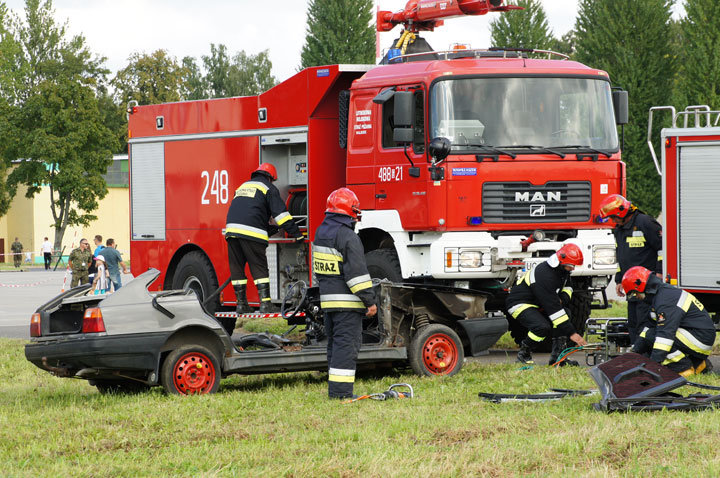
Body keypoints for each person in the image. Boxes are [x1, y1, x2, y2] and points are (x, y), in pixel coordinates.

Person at [313, 188, 377, 399]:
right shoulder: (348, 237)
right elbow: (356, 274)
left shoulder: (321, 232)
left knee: (335, 346)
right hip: (348, 304)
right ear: (350, 211)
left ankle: (335, 391)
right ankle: (341, 394)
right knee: (346, 348)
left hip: (328, 303)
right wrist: (369, 301)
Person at [224, 163, 304, 317]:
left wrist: (269, 229)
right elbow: (281, 216)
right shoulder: (268, 188)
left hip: (231, 231)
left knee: (237, 268)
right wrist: (296, 234)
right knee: (259, 267)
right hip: (251, 233)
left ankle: (241, 305)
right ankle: (265, 304)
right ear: (270, 177)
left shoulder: (243, 187)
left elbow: (249, 213)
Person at [622, 266, 715, 377]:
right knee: (651, 337)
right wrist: (634, 352)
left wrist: (653, 368)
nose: (636, 297)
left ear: (639, 286)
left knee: (657, 338)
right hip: (696, 334)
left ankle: (684, 368)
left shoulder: (665, 300)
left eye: (634, 293)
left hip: (700, 337)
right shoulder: (658, 296)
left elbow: (665, 336)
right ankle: (698, 364)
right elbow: (648, 328)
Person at [506, 243, 588, 365]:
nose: (573, 269)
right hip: (520, 303)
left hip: (539, 304)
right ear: (561, 261)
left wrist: (562, 299)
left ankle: (558, 358)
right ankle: (524, 354)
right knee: (541, 327)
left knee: (566, 313)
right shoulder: (545, 275)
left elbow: (568, 287)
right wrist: (572, 333)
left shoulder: (562, 271)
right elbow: (554, 309)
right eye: (571, 266)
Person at [599, 194, 662, 343]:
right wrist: (620, 279)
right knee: (633, 323)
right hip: (631, 285)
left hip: (647, 284)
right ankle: (637, 355)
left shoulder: (645, 222)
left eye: (613, 217)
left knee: (644, 322)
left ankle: (646, 357)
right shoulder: (619, 229)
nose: (613, 221)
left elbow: (663, 248)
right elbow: (621, 255)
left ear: (621, 212)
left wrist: (659, 272)